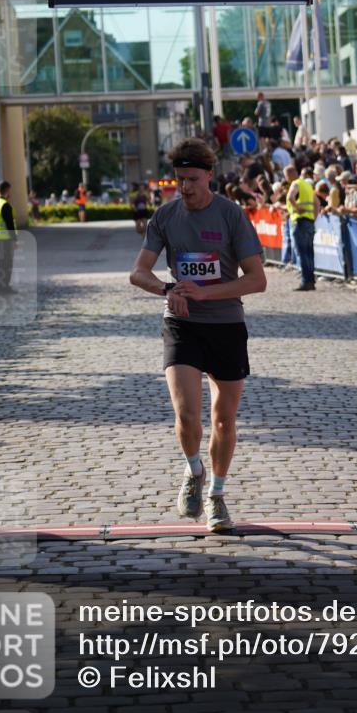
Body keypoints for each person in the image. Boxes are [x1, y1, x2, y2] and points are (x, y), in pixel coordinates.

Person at [129, 138, 265, 533]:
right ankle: (194, 471)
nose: (184, 187)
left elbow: (257, 280)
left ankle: (217, 496)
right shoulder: (165, 216)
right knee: (187, 415)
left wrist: (206, 293)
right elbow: (138, 272)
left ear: (209, 176)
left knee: (224, 420)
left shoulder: (230, 215)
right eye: (178, 180)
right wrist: (167, 290)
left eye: (191, 179)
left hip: (225, 325)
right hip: (181, 323)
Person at [284, 164, 320, 291]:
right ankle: (311, 281)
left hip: (299, 222)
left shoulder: (295, 184)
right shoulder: (308, 186)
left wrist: (297, 208)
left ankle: (306, 281)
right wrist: (313, 218)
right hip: (309, 221)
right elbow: (317, 204)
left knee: (302, 253)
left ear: (289, 174)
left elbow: (290, 197)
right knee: (309, 253)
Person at [0, 180, 17, 294]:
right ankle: (5, 287)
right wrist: (14, 240)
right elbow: (10, 224)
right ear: (7, 190)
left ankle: (2, 286)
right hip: (6, 239)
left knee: (1, 263)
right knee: (7, 263)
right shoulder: (5, 205)